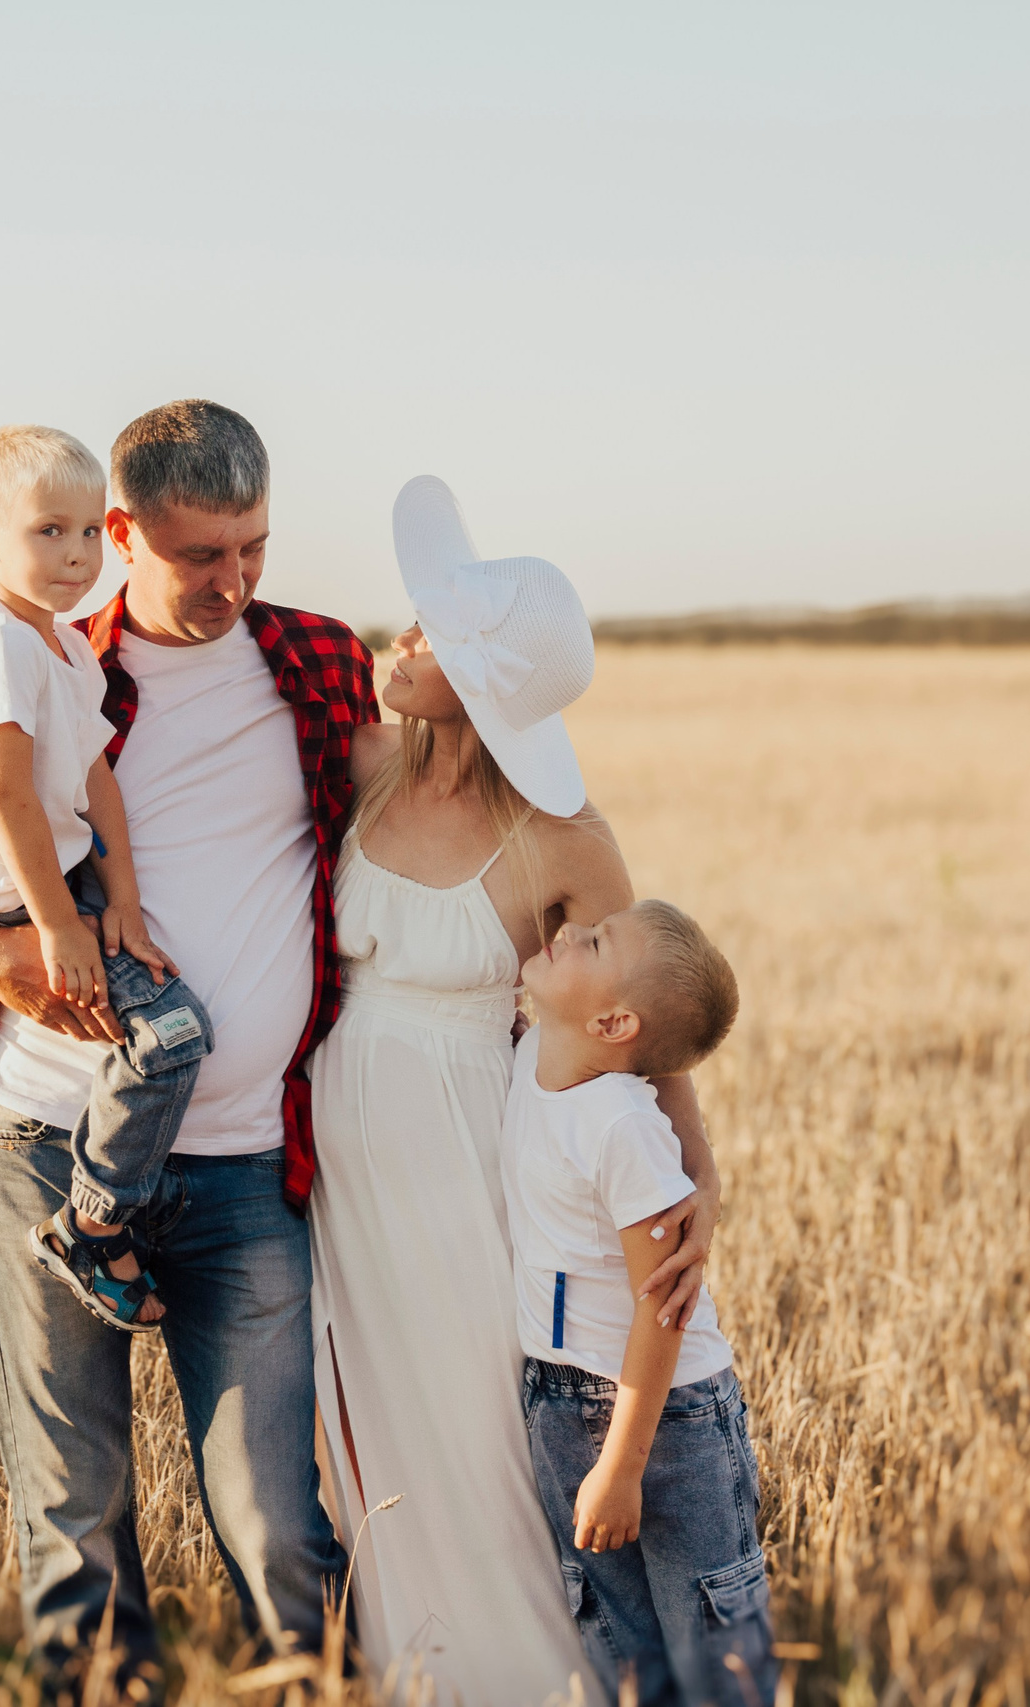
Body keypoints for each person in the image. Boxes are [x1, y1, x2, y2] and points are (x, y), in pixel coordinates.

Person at [0, 400, 364, 1688]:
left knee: (281, 1527)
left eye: (255, 548)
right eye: (199, 555)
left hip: (242, 1172)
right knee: (74, 1524)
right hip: (43, 1146)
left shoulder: (320, 666)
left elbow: (424, 827)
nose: (232, 582)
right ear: (120, 534)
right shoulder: (48, 657)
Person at [306, 477, 724, 1700]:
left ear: (482, 683)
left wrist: (695, 1189)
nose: (402, 634)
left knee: (481, 1436)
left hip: (463, 1164)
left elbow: (643, 1022)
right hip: (344, 1170)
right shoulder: (362, 761)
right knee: (376, 1438)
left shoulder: (559, 833)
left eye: (429, 631)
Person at [0, 424, 210, 1333]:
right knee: (172, 1036)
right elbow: (7, 794)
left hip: (37, 881)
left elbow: (95, 779)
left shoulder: (65, 647)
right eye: (46, 533)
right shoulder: (0, 642)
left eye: (85, 534)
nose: (75, 556)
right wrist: (63, 923)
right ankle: (93, 1224)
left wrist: (129, 902)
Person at [507, 900, 772, 1707]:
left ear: (615, 1019)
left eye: (592, 941)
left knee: (712, 1644)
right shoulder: (531, 1057)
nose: (563, 932)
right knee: (616, 1644)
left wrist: (622, 1465)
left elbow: (663, 1308)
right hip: (559, 1399)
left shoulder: (622, 1124)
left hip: (671, 1419)